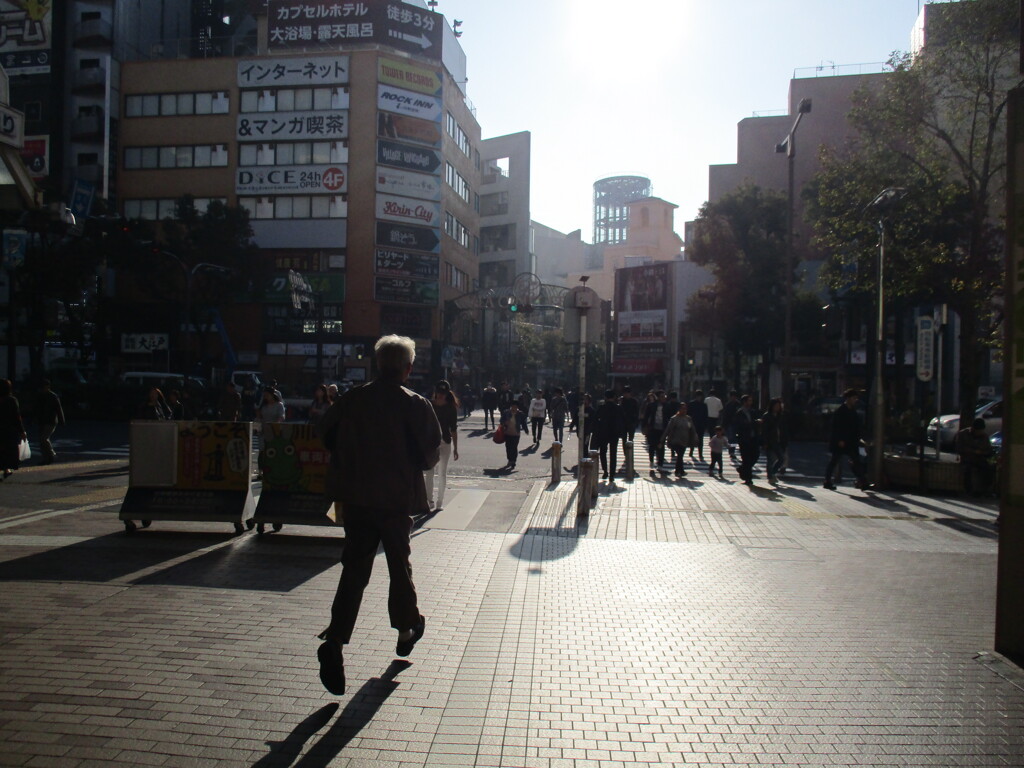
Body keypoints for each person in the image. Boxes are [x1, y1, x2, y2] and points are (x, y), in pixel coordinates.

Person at [316, 335, 441, 696]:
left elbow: (325, 433)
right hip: (396, 498)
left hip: (355, 497)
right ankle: (406, 629)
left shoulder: (352, 399)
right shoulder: (415, 404)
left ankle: (335, 641)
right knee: (399, 565)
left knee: (354, 570)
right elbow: (430, 454)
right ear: (408, 368)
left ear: (376, 364)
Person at [824, 388, 869, 491]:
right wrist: (840, 440)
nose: (855, 400)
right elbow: (837, 427)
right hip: (842, 442)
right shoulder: (841, 411)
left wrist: (860, 439)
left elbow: (856, 427)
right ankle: (827, 481)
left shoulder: (853, 411)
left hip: (851, 441)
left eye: (856, 398)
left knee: (855, 461)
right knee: (834, 461)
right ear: (848, 398)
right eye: (854, 398)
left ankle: (862, 481)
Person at [425, 380, 459, 511]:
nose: (441, 395)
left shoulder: (451, 408)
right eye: (439, 393)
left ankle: (439, 502)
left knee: (442, 472)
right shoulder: (429, 405)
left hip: (445, 442)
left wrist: (456, 448)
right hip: (430, 443)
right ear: (435, 392)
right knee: (429, 472)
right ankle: (429, 500)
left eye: (443, 393)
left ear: (447, 393)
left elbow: (454, 429)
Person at [592, 389, 627, 482]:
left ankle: (605, 471)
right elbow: (623, 420)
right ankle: (612, 474)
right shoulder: (618, 408)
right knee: (613, 453)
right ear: (614, 397)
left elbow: (596, 419)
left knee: (603, 452)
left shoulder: (602, 407)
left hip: (603, 432)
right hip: (614, 433)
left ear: (605, 397)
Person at [956, 417, 994, 496]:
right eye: (978, 431)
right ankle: (969, 491)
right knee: (967, 469)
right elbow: (959, 448)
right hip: (967, 458)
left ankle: (984, 490)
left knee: (988, 469)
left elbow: (988, 450)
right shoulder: (963, 434)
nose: (979, 432)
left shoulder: (984, 436)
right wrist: (973, 451)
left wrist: (982, 452)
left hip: (980, 458)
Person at [661, 401, 699, 477]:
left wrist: (695, 437)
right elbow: (668, 430)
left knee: (680, 456)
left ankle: (678, 471)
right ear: (679, 409)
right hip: (675, 440)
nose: (684, 410)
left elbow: (692, 429)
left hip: (685, 440)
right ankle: (680, 471)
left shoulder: (688, 418)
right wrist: (662, 440)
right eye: (682, 409)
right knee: (680, 455)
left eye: (685, 409)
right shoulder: (674, 419)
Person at [0, 379, 26, 479]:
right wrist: (22, 431)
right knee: (8, 450)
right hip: (9, 430)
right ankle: (6, 469)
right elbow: (17, 417)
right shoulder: (11, 400)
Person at [34, 379, 65, 465]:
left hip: (51, 420)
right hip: (43, 420)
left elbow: (58, 409)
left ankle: (51, 454)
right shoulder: (42, 396)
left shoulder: (53, 396)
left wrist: (61, 419)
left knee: (44, 438)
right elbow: (36, 408)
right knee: (42, 440)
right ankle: (46, 457)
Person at [734, 394, 761, 485]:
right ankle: (748, 478)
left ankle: (742, 468)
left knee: (756, 455)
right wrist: (754, 423)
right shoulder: (740, 413)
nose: (750, 402)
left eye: (751, 401)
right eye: (749, 401)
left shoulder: (753, 412)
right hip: (744, 438)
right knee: (746, 458)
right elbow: (741, 425)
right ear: (744, 402)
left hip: (753, 437)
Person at [761, 397, 788, 485]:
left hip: (778, 440)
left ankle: (772, 473)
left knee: (781, 458)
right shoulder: (767, 416)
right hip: (770, 440)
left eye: (779, 406)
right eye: (776, 406)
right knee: (770, 460)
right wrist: (764, 442)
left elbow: (783, 428)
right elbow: (764, 430)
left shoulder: (781, 416)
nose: (777, 407)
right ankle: (770, 476)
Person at [642, 390, 670, 474]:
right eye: (662, 396)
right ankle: (651, 461)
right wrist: (644, 427)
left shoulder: (667, 406)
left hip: (662, 429)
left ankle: (660, 464)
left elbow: (669, 417)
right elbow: (646, 417)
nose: (664, 398)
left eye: (664, 396)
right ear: (658, 397)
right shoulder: (651, 405)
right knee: (652, 446)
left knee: (661, 446)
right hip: (652, 428)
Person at [500, 401, 527, 470]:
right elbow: (501, 420)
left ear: (517, 407)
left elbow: (524, 423)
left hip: (516, 433)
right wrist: (504, 422)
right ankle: (509, 459)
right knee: (508, 447)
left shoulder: (520, 414)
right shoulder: (506, 412)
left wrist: (526, 429)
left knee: (514, 447)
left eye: (515, 407)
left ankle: (513, 461)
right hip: (507, 433)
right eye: (512, 407)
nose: (514, 408)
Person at [687, 390, 709, 462]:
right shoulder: (692, 404)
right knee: (693, 438)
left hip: (700, 424)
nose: (699, 398)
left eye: (700, 396)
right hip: (694, 424)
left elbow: (706, 416)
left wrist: (705, 425)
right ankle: (692, 450)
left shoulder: (703, 405)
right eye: (698, 396)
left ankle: (700, 453)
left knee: (700, 439)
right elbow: (688, 414)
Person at [720, 390, 741, 460]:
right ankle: (731, 451)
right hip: (729, 424)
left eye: (734, 396)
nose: (733, 398)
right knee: (731, 438)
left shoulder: (738, 405)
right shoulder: (728, 405)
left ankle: (732, 451)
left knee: (734, 439)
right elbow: (725, 416)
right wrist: (723, 426)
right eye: (732, 396)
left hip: (736, 424)